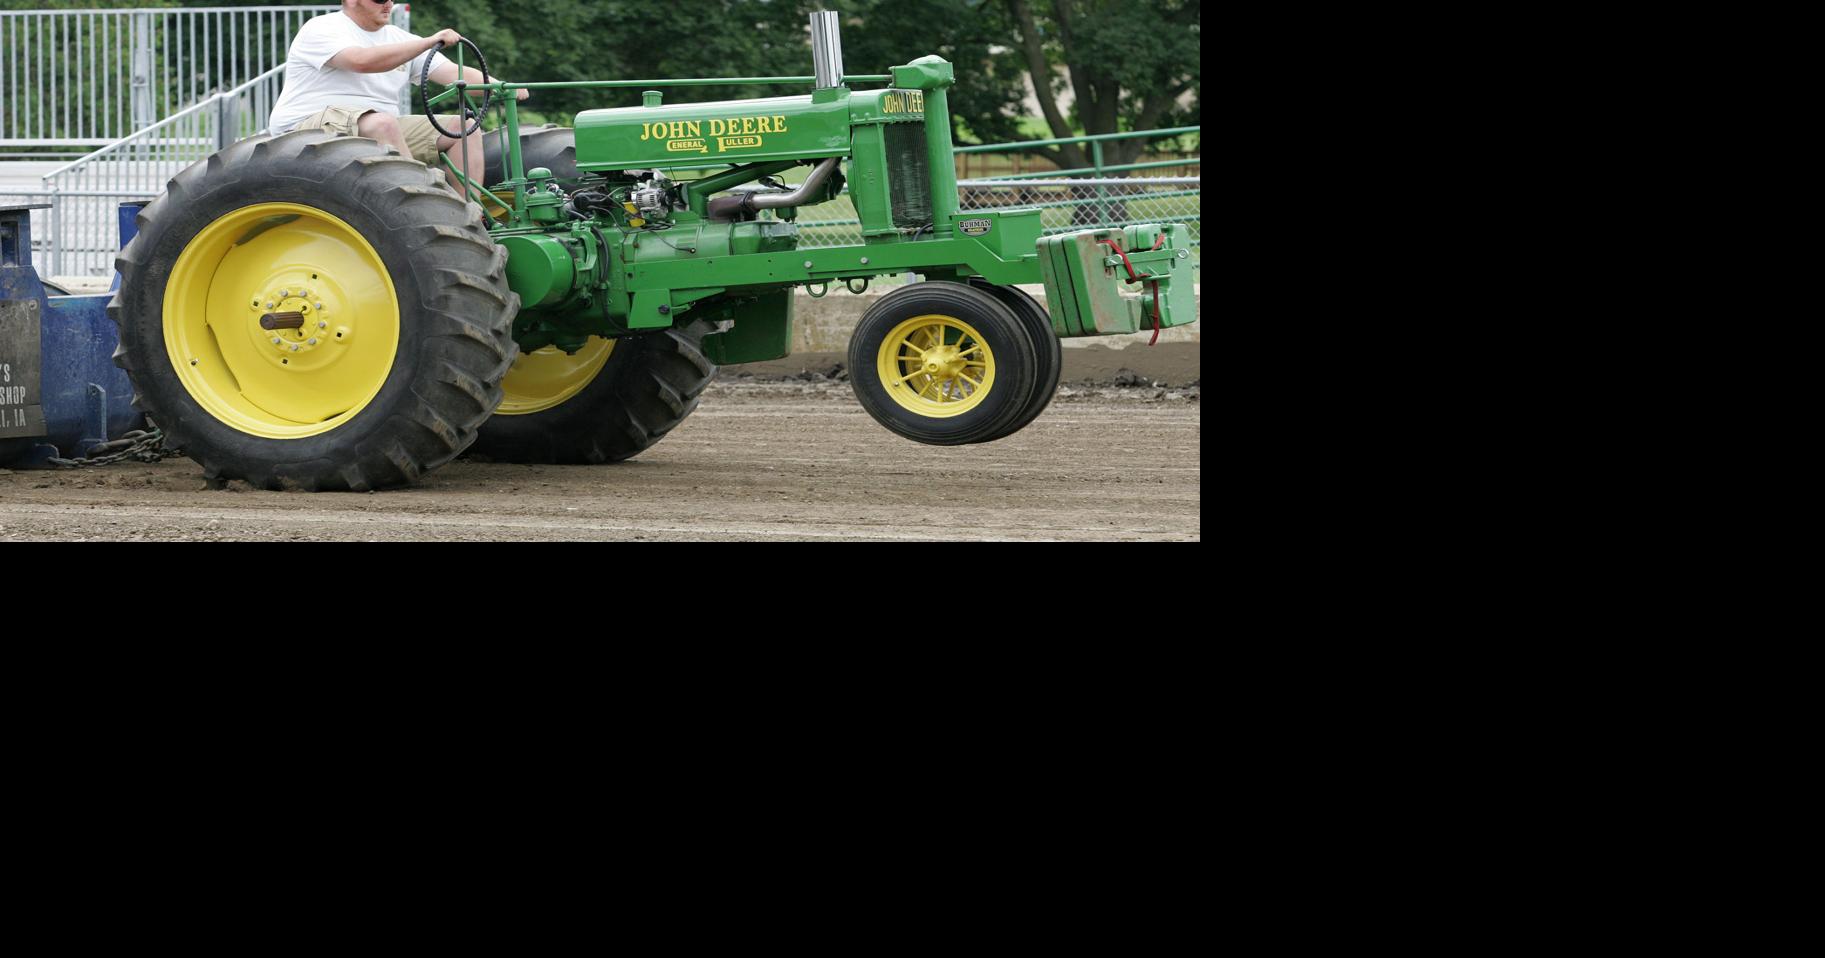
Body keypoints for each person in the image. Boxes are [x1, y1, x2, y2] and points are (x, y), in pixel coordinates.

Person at [266, 0, 529, 193]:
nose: (388, 4)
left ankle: (468, 216)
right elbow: (361, 61)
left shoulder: (397, 37)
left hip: (375, 125)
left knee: (465, 127)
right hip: (305, 126)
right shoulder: (322, 28)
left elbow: (452, 72)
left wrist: (501, 86)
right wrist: (428, 40)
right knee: (383, 123)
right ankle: (423, 205)